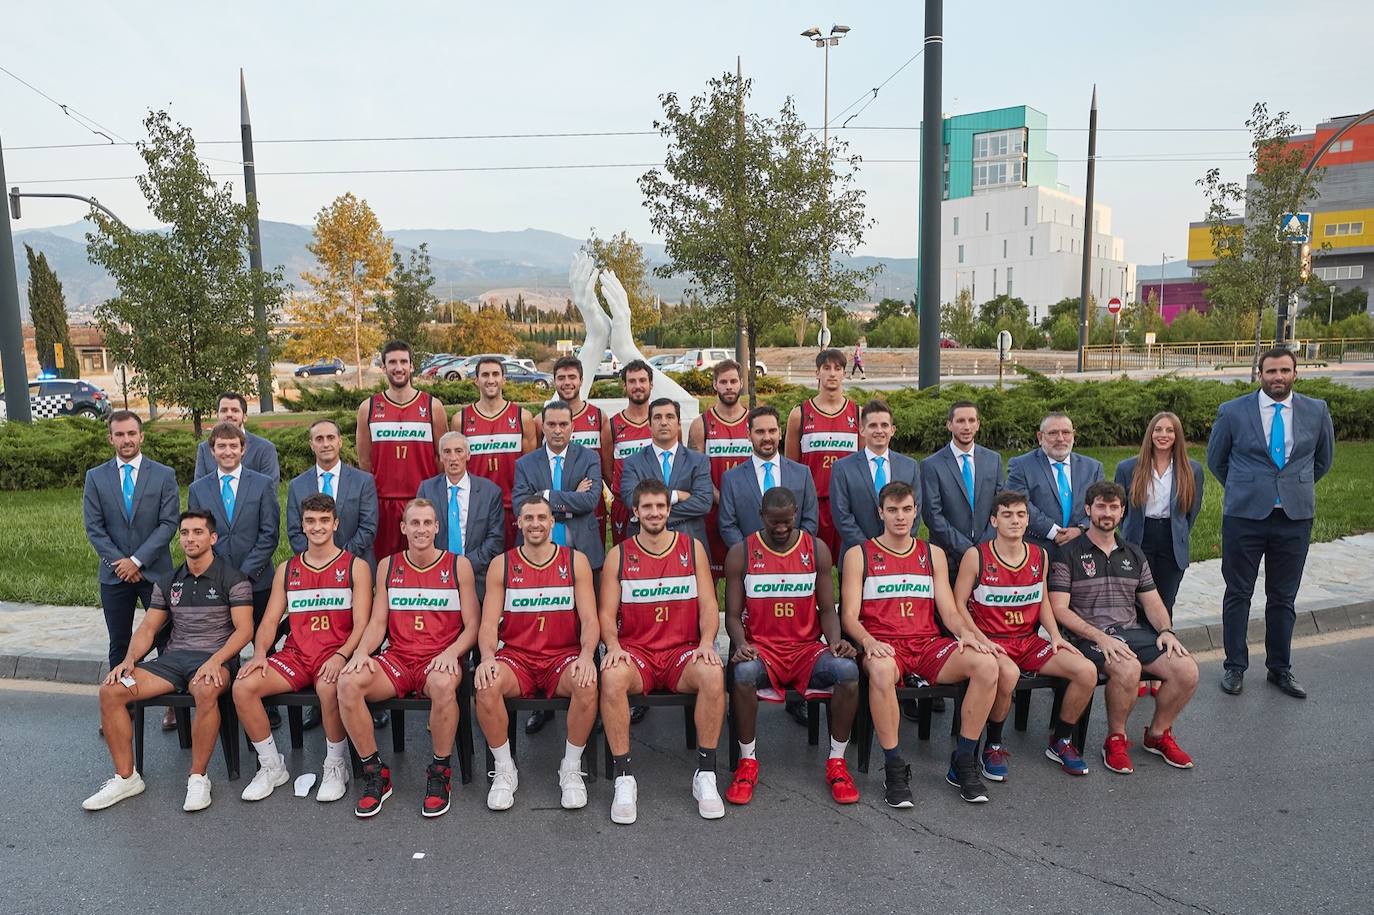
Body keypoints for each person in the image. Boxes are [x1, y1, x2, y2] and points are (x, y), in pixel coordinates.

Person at [840, 481, 1000, 807]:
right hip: (884, 644)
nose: (901, 517)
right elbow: (849, 617)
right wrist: (868, 642)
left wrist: (965, 635)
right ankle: (894, 767)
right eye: (893, 510)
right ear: (880, 513)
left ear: (916, 513)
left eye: (907, 510)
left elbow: (949, 611)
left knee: (986, 664)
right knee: (882, 672)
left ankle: (964, 760)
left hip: (927, 643)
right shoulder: (859, 554)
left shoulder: (932, 554)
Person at [83, 510, 254, 813]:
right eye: (185, 533)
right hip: (173, 661)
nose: (190, 538)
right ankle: (126, 778)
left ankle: (198, 778)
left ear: (212, 538)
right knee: (111, 690)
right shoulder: (168, 581)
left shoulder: (234, 579)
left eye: (198, 532)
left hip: (215, 660)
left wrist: (216, 661)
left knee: (204, 690)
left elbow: (244, 630)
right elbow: (149, 628)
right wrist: (129, 660)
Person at [336, 499, 479, 818]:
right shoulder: (388, 565)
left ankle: (440, 772)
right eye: (414, 523)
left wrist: (452, 652)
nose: (421, 529)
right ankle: (374, 773)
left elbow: (473, 626)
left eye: (428, 523)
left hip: (438, 659)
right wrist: (361, 653)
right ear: (403, 528)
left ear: (437, 527)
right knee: (347, 683)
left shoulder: (458, 565)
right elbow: (377, 622)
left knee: (443, 685)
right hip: (399, 659)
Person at [1207, 347, 1334, 699]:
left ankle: (1280, 668)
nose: (1278, 377)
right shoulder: (1233, 412)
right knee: (1238, 593)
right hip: (1244, 517)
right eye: (1271, 371)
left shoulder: (1316, 410)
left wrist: (1292, 488)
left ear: (1295, 373)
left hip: (1294, 518)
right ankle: (1235, 666)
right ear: (1259, 373)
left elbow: (1323, 460)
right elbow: (1217, 461)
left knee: (1283, 597)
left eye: (1285, 370)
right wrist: (1247, 488)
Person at [722, 487, 861, 806]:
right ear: (761, 517)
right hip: (763, 650)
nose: (782, 528)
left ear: (796, 514)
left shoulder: (817, 549)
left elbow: (827, 610)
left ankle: (837, 764)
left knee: (848, 671)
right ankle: (747, 763)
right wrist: (741, 643)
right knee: (742, 674)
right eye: (774, 522)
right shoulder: (741, 552)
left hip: (805, 650)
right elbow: (731, 615)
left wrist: (836, 641)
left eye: (787, 521)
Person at [1049, 481, 1200, 775]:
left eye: (1114, 507)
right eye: (1101, 507)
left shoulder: (1133, 553)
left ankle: (1157, 735)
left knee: (1187, 669)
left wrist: (1166, 631)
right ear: (1088, 510)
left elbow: (1154, 602)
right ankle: (1115, 740)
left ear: (1122, 513)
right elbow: (1058, 609)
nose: (1107, 513)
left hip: (1131, 631)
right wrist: (1099, 637)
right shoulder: (1067, 553)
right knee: (1128, 668)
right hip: (1087, 635)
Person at [599, 479, 727, 824]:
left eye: (660, 506)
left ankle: (706, 775)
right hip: (637, 653)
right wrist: (612, 646)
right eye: (647, 507)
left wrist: (706, 642)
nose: (654, 513)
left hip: (681, 652)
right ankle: (624, 779)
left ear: (669, 511)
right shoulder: (620, 554)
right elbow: (606, 615)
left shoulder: (691, 548)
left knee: (713, 672)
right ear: (636, 512)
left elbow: (708, 605)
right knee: (611, 677)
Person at [232, 495, 372, 802]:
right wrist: (259, 654)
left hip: (335, 653)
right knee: (243, 686)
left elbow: (362, 623)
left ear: (335, 524)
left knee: (329, 688)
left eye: (324, 520)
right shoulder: (288, 568)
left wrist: (341, 655)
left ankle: (335, 765)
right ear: (302, 525)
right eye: (311, 521)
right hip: (296, 655)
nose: (317, 527)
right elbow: (270, 621)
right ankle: (272, 766)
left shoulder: (356, 567)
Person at [952, 491, 1097, 779]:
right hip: (992, 640)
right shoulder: (976, 555)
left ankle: (1061, 740)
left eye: (1020, 515)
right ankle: (992, 744)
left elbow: (1042, 599)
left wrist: (1055, 635)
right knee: (1008, 674)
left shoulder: (1039, 555)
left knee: (1086, 671)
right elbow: (957, 605)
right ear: (994, 520)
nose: (1015, 521)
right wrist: (980, 639)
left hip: (1028, 641)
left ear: (1028, 519)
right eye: (1007, 515)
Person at [475, 495, 600, 811]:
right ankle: (505, 770)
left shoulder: (575, 561)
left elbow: (589, 620)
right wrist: (488, 657)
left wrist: (586, 656)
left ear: (552, 522)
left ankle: (570, 768)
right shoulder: (502, 564)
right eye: (528, 518)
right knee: (486, 685)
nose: (535, 523)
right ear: (518, 522)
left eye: (541, 517)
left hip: (562, 656)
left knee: (586, 682)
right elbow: (489, 623)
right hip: (518, 658)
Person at [82, 410, 179, 719]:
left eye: (131, 433)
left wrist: (136, 560)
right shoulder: (95, 477)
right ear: (111, 438)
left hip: (155, 572)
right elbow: (94, 528)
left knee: (165, 637)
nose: (126, 439)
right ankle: (120, 705)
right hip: (114, 576)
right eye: (120, 434)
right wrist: (120, 563)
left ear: (141, 436)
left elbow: (168, 524)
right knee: (120, 641)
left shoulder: (164, 475)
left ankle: (171, 705)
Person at [1114, 412, 1204, 697]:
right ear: (1150, 434)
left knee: (1164, 604)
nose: (1163, 435)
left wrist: (1177, 534)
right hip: (1139, 539)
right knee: (1134, 605)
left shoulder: (1192, 469)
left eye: (1170, 430)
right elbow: (1121, 508)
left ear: (1177, 436)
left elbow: (1192, 510)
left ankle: (1158, 669)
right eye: (1158, 430)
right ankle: (1138, 669)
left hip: (1170, 541)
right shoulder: (1129, 467)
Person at [357, 340, 447, 562]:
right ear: (384, 367)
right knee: (385, 569)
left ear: (412, 366)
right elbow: (365, 461)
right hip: (383, 503)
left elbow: (442, 457)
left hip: (422, 501)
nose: (399, 367)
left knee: (425, 564)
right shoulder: (368, 407)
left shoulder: (432, 406)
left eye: (403, 362)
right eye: (393, 362)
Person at [187, 422, 280, 627]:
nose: (228, 452)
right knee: (222, 646)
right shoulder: (198, 489)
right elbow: (197, 535)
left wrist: (244, 573)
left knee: (264, 646)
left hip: (257, 580)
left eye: (233, 446)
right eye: (221, 446)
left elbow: (270, 533)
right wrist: (222, 574)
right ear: (212, 450)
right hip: (215, 582)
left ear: (243, 449)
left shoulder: (263, 484)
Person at [785, 348, 859, 565]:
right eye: (826, 368)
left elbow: (863, 465)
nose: (832, 373)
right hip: (813, 504)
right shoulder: (800, 414)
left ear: (844, 373)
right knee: (813, 564)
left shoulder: (858, 413)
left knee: (851, 564)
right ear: (817, 373)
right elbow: (791, 468)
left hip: (848, 504)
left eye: (837, 368)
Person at [457, 356, 537, 548]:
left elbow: (531, 469)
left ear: (504, 379)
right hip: (476, 508)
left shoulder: (522, 417)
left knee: (513, 568)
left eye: (495, 374)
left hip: (512, 507)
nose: (490, 380)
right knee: (477, 568)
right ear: (476, 380)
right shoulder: (462, 419)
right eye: (485, 375)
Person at [416, 432, 506, 601]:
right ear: (441, 457)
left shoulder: (490, 492)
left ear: (468, 454)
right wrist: (440, 566)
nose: (453, 458)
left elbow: (495, 540)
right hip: (435, 576)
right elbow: (420, 533)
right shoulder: (427, 489)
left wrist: (462, 567)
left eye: (458, 451)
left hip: (477, 577)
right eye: (447, 452)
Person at [830, 399, 921, 561]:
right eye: (873, 426)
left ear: (893, 430)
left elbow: (915, 510)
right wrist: (870, 551)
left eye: (884, 425)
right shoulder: (842, 468)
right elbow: (842, 516)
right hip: (857, 557)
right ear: (862, 430)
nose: (879, 430)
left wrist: (896, 546)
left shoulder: (910, 467)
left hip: (899, 557)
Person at [921, 401, 1004, 579]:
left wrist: (982, 548)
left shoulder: (993, 460)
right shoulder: (931, 465)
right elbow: (932, 514)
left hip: (988, 554)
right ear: (949, 425)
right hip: (948, 557)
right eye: (960, 421)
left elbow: (1000, 507)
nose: (966, 427)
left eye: (971, 420)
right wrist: (966, 549)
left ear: (978, 424)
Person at [720, 405, 819, 549]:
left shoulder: (802, 473)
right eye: (760, 432)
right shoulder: (731, 479)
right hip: (751, 562)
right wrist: (749, 554)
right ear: (749, 434)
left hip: (794, 561)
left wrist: (795, 550)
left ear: (780, 432)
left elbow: (810, 520)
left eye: (772, 431)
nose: (767, 438)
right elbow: (727, 525)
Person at [1005, 412, 1104, 555]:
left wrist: (1081, 529)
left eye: (1066, 432)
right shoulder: (1021, 466)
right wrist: (1053, 532)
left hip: (1082, 548)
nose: (1060, 438)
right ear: (1040, 437)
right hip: (1037, 550)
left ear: (1073, 435)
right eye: (1053, 433)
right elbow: (1020, 504)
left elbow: (1099, 505)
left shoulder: (1093, 468)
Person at [686, 359, 750, 579]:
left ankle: (744, 615)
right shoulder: (700, 424)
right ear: (714, 385)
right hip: (712, 510)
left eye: (733, 381)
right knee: (707, 575)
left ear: (742, 383)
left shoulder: (754, 422)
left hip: (747, 511)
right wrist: (722, 499)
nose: (729, 386)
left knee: (748, 572)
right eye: (723, 382)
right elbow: (694, 474)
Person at [621, 397, 713, 546]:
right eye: (657, 417)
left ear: (678, 424)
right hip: (645, 544)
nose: (664, 422)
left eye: (670, 417)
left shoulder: (698, 461)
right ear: (649, 425)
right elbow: (631, 499)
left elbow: (703, 503)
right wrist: (676, 495)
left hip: (689, 542)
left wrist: (650, 513)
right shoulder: (633, 463)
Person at [286, 418, 378, 563]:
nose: (326, 444)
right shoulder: (297, 486)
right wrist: (317, 558)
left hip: (356, 565)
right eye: (319, 439)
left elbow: (368, 528)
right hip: (313, 567)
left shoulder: (363, 481)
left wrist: (340, 559)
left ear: (339, 442)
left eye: (331, 438)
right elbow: (294, 532)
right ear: (311, 445)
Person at [541, 355, 607, 542]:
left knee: (590, 565)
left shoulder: (599, 417)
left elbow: (607, 467)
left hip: (590, 506)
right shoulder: (540, 421)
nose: (567, 382)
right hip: (552, 508)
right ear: (554, 381)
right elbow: (534, 467)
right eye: (561, 378)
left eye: (572, 377)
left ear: (581, 381)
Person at [604, 359, 655, 545]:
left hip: (658, 504)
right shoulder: (612, 425)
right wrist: (621, 490)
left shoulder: (663, 422)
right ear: (625, 386)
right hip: (624, 506)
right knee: (626, 562)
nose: (638, 386)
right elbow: (607, 469)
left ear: (651, 384)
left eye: (642, 380)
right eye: (632, 381)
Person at [193, 391, 280, 484]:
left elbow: (269, 489)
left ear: (245, 417)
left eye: (235, 410)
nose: (229, 414)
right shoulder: (204, 448)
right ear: (217, 415)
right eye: (224, 410)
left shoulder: (265, 448)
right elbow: (199, 489)